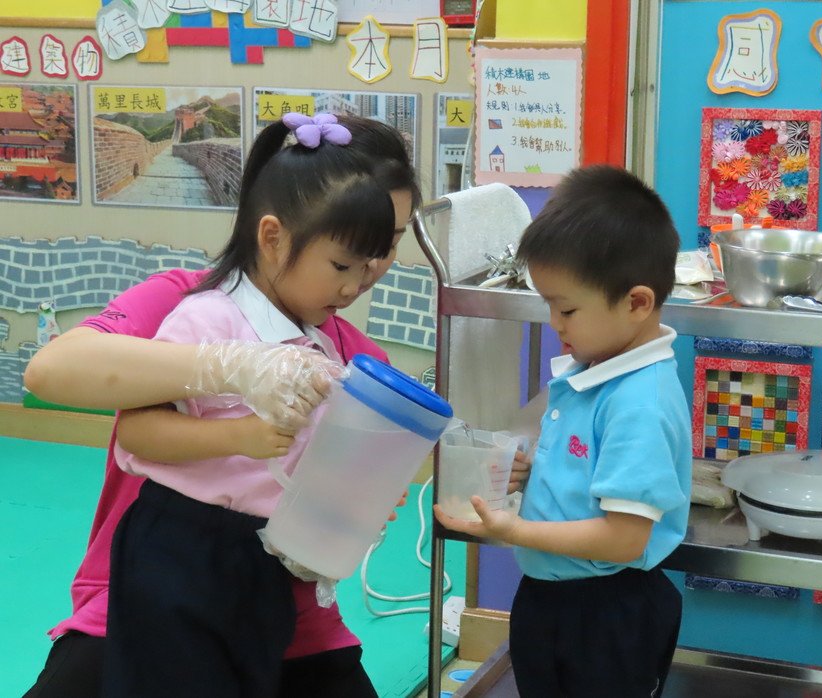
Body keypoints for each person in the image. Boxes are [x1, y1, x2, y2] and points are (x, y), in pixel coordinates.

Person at [22, 114, 420, 698]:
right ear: (276, 234)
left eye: (388, 243)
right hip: (156, 588)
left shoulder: (354, 358)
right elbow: (53, 375)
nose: (368, 272)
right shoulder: (192, 304)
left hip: (281, 599)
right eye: (351, 252)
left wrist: (356, 504)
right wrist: (230, 368)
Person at [434, 165, 691, 698]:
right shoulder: (595, 369)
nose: (555, 323)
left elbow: (624, 538)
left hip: (606, 613)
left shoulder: (639, 402)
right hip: (551, 598)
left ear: (637, 303)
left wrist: (513, 532)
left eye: (567, 308)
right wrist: (537, 474)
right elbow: (586, 474)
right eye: (549, 304)